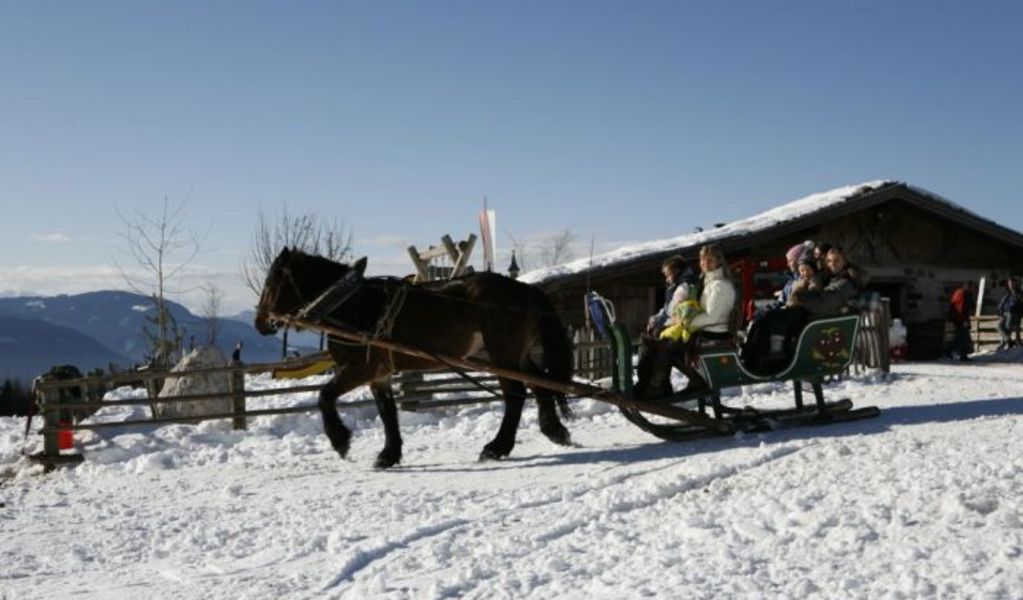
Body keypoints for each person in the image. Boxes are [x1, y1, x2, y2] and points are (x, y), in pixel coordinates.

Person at [636, 244, 736, 397]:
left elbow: (713, 316)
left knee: (665, 345)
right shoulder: (708, 282)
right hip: (703, 330)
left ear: (719, 261)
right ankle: (655, 384)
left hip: (713, 333)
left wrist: (687, 323)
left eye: (710, 260)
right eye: (703, 260)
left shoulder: (719, 286)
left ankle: (661, 386)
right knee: (661, 341)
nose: (705, 264)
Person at [645, 256, 697, 335]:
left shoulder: (685, 288)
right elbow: (667, 309)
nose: (667, 280)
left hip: (678, 332)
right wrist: (655, 319)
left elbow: (677, 315)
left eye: (668, 275)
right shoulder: (675, 287)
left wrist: (660, 326)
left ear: (677, 271)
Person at [946, 281, 975, 361]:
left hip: (957, 319)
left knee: (960, 337)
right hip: (960, 319)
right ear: (968, 287)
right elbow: (961, 309)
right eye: (972, 287)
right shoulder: (962, 294)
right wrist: (964, 321)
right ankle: (958, 354)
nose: (973, 289)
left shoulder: (960, 292)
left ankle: (955, 353)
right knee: (963, 337)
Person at [996, 277, 1022, 350]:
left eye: (1012, 283)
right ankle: (1008, 340)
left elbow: (1018, 303)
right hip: (1004, 313)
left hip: (1013, 313)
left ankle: (1005, 342)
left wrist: (1014, 309)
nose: (1010, 285)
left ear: (1015, 283)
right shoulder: (1006, 292)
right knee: (999, 326)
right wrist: (999, 309)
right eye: (1009, 283)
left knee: (1008, 326)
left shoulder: (1019, 293)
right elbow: (1002, 302)